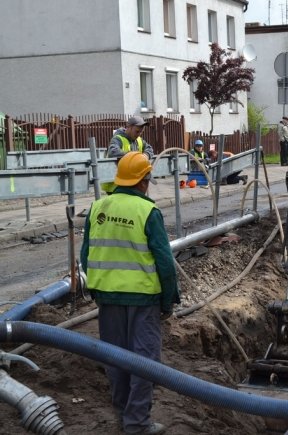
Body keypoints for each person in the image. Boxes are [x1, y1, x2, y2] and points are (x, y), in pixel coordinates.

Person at [80, 152, 180, 435]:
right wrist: (168, 300)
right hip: (142, 298)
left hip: (107, 297)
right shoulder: (147, 212)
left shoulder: (98, 207)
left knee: (115, 356)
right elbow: (165, 263)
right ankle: (136, 422)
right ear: (144, 181)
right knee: (145, 360)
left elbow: (85, 253)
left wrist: (96, 287)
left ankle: (123, 412)